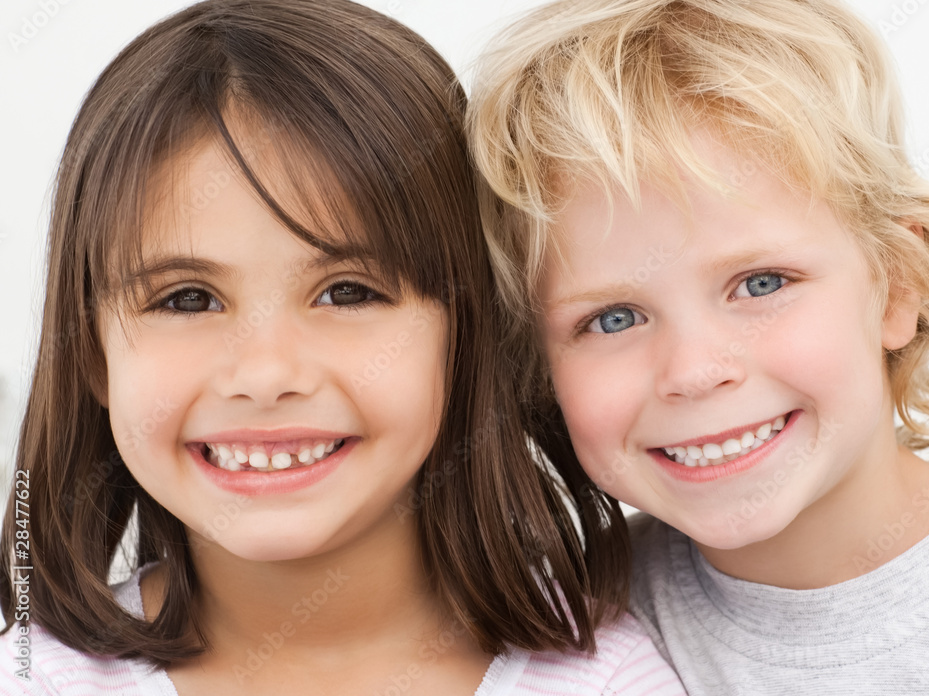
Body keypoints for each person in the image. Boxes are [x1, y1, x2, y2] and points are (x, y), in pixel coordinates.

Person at [0, 1, 686, 693]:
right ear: (91, 354)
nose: (266, 374)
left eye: (348, 292)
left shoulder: (607, 678)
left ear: (469, 332)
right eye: (187, 300)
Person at [467, 0, 929, 692]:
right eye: (615, 319)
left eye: (761, 283)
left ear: (898, 286)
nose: (693, 372)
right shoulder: (563, 646)